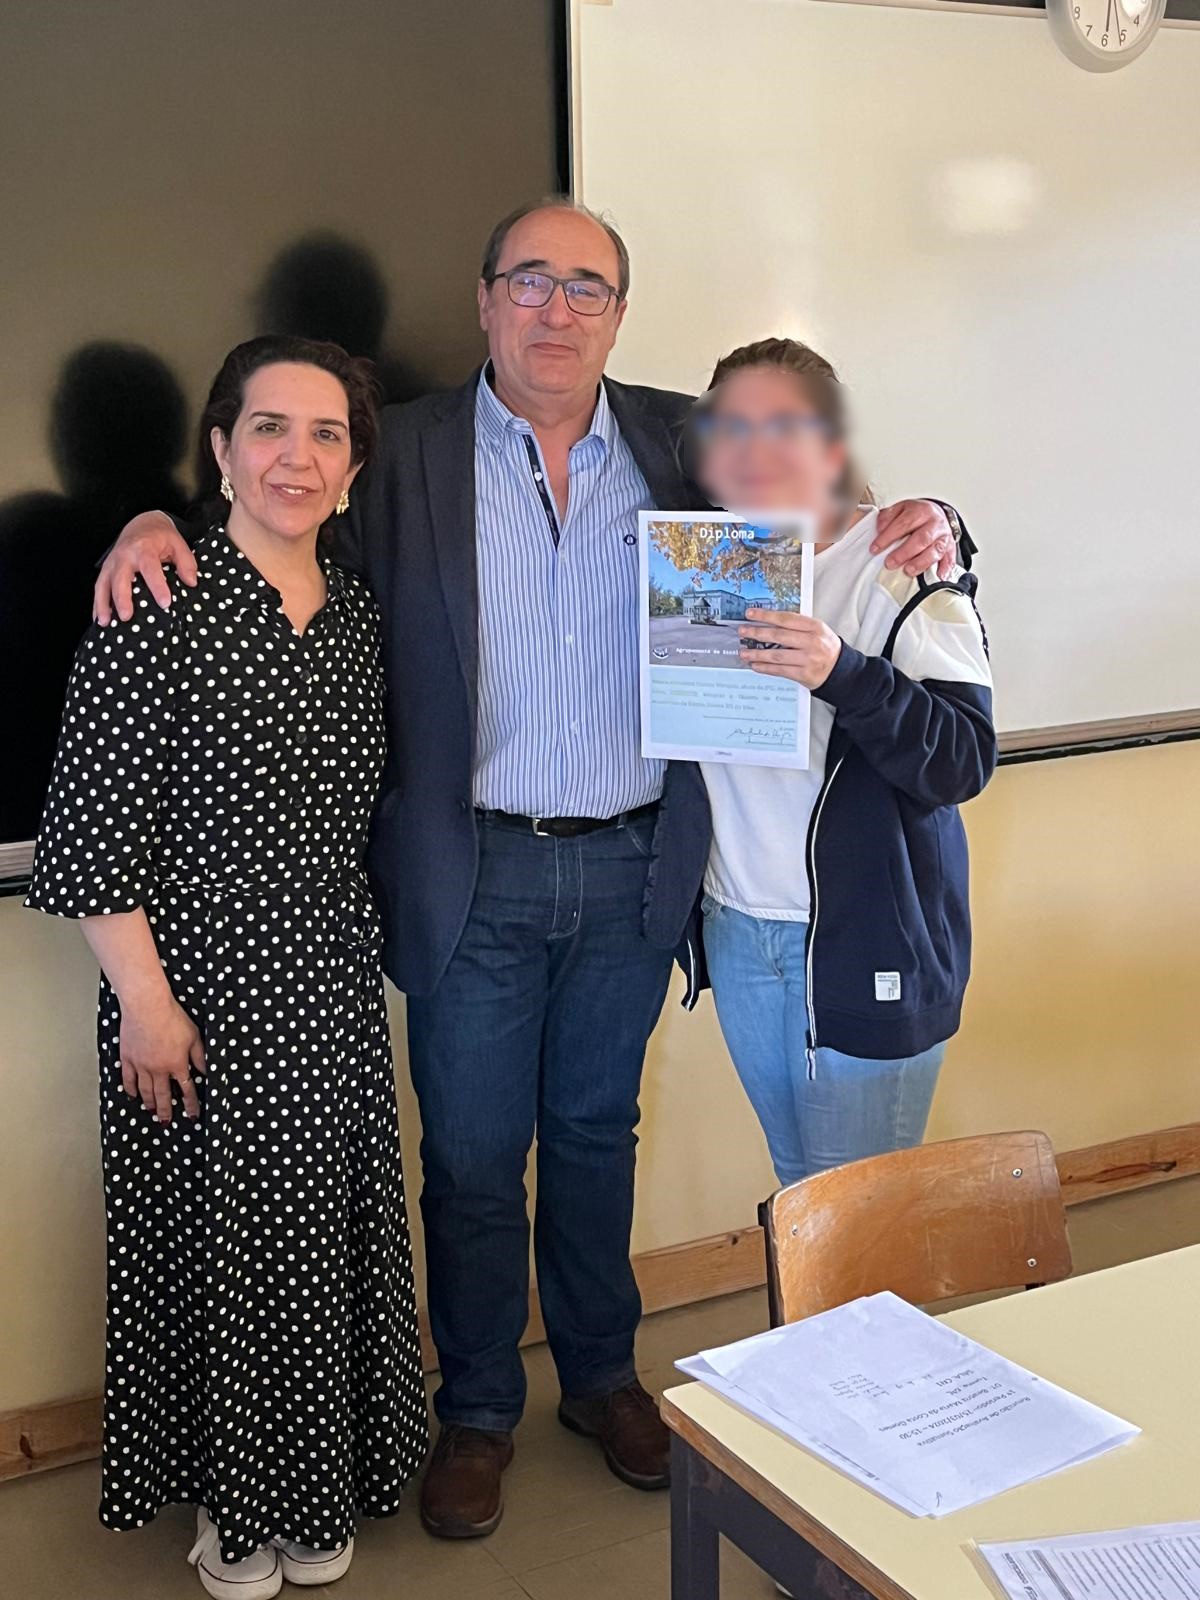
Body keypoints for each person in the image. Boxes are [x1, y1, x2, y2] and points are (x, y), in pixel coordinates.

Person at [92, 197, 963, 1539]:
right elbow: (277, 506)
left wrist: (930, 512)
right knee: (474, 1156)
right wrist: (154, 519)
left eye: (588, 286)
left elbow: (817, 490)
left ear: (620, 313)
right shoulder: (400, 450)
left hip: (634, 866)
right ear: (487, 296)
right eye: (532, 281)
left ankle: (604, 1379)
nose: (558, 309)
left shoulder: (682, 441)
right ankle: (481, 1407)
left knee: (600, 1137)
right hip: (472, 871)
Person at [28, 335, 428, 1598]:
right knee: (217, 1253)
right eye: (269, 427)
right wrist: (146, 1008)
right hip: (189, 992)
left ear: (352, 469)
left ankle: (313, 1486)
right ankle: (233, 1505)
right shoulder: (158, 597)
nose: (296, 457)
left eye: (326, 434)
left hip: (328, 985)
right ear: (220, 450)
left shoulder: (357, 608)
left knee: (317, 1246)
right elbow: (90, 835)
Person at [687, 337, 995, 1187]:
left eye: (783, 426)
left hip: (865, 940)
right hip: (739, 930)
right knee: (802, 1194)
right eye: (730, 427)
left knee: (861, 1218)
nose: (754, 450)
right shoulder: (698, 556)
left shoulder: (903, 566)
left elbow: (963, 760)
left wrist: (843, 674)